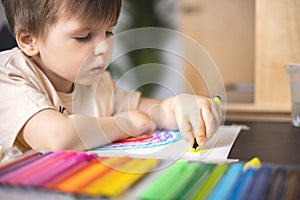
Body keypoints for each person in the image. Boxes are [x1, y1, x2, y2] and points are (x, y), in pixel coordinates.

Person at [0, 0, 222, 152]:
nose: (103, 48)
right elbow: (58, 137)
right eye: (83, 36)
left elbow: (155, 113)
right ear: (29, 41)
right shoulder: (9, 76)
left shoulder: (95, 83)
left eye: (108, 32)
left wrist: (182, 106)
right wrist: (124, 124)